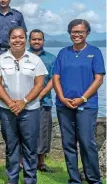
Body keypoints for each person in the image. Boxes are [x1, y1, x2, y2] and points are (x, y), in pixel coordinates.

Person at [0, 27, 47, 184]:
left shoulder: (36, 60)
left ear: (26, 39)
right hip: (7, 110)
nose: (17, 40)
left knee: (30, 147)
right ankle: (12, 178)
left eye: (21, 37)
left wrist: (24, 102)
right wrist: (10, 103)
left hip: (30, 110)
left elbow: (39, 84)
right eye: (14, 37)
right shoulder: (0, 60)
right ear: (9, 40)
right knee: (11, 146)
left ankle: (30, 180)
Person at [53, 19, 104, 184]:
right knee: (68, 144)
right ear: (69, 33)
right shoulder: (63, 53)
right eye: (74, 31)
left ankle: (94, 179)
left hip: (87, 105)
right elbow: (56, 78)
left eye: (81, 31)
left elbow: (98, 79)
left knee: (86, 143)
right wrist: (61, 97)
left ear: (87, 33)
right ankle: (74, 180)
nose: (77, 34)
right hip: (64, 105)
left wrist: (82, 98)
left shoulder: (95, 52)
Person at [24, 29, 56, 173]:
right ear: (29, 41)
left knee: (43, 132)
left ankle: (41, 163)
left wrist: (41, 94)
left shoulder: (51, 58)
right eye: (34, 39)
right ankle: (21, 162)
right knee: (25, 132)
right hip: (25, 101)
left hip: (45, 101)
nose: (37, 42)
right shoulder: (23, 56)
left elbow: (54, 80)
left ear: (43, 41)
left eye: (39, 39)